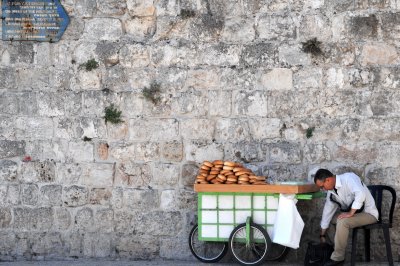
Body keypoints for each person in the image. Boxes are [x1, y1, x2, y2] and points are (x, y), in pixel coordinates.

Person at [314, 169, 378, 266]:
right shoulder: (331, 191)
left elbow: (361, 194)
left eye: (322, 186)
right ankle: (334, 250)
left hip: (369, 213)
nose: (323, 189)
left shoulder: (349, 178)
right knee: (330, 221)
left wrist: (351, 213)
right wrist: (322, 235)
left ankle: (338, 258)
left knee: (342, 222)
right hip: (354, 215)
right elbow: (327, 212)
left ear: (328, 180)